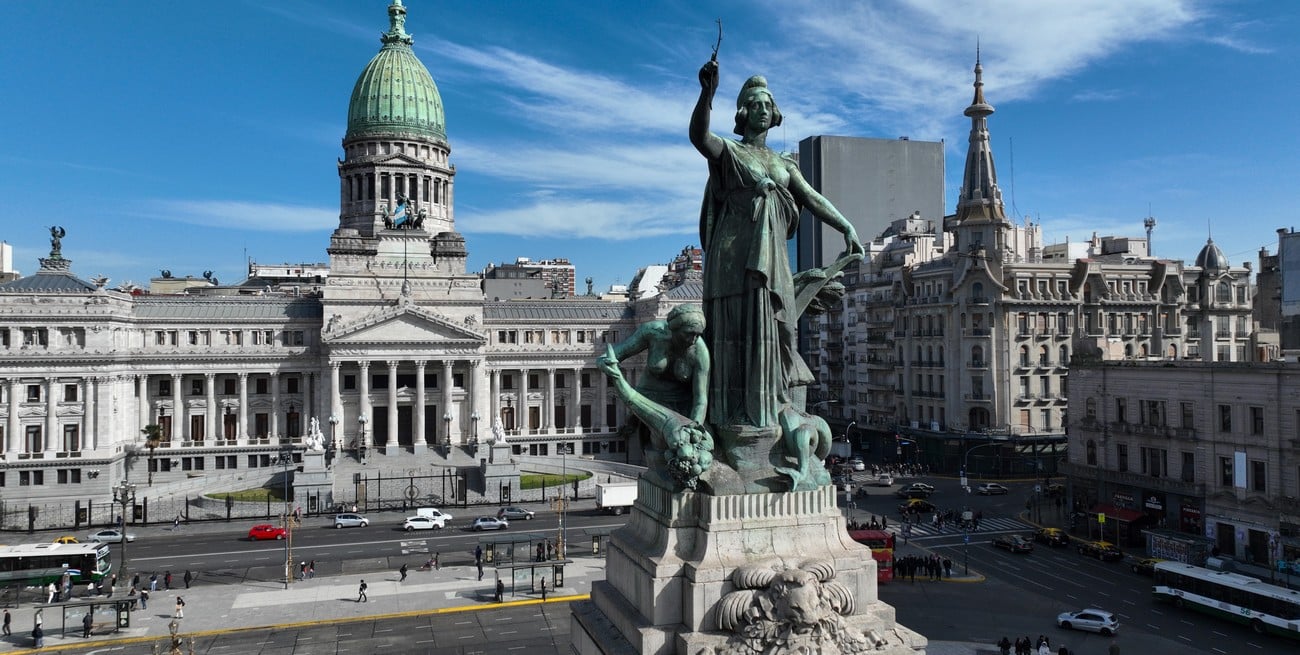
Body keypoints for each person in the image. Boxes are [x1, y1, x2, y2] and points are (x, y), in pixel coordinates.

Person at [690, 57, 863, 436]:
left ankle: (769, 408)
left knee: (779, 329)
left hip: (773, 259)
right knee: (733, 334)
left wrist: (846, 225)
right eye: (756, 105)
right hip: (734, 257)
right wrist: (707, 94)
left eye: (768, 105)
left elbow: (812, 198)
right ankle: (732, 416)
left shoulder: (784, 163)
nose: (763, 110)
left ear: (775, 113)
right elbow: (699, 136)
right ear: (743, 112)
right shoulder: (730, 152)